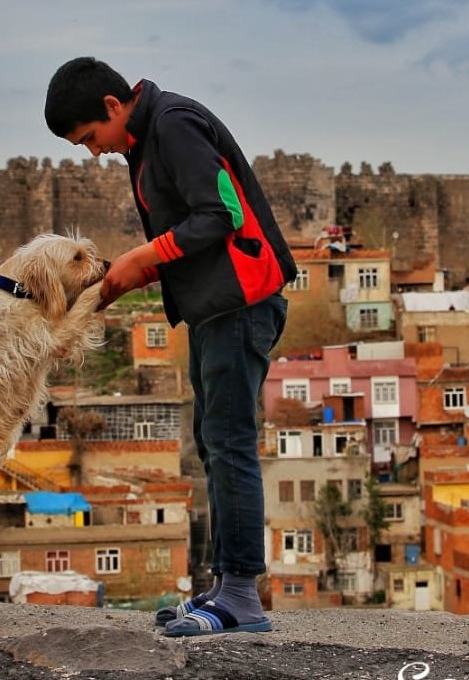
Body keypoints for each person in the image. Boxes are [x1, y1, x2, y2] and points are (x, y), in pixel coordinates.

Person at [45, 57, 296, 637]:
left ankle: (241, 596)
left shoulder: (174, 125)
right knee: (212, 443)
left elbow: (223, 215)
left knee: (230, 444)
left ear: (112, 106)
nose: (93, 152)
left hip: (241, 304)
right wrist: (126, 279)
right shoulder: (144, 141)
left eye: (90, 138)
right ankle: (224, 587)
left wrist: (139, 257)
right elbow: (190, 239)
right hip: (213, 307)